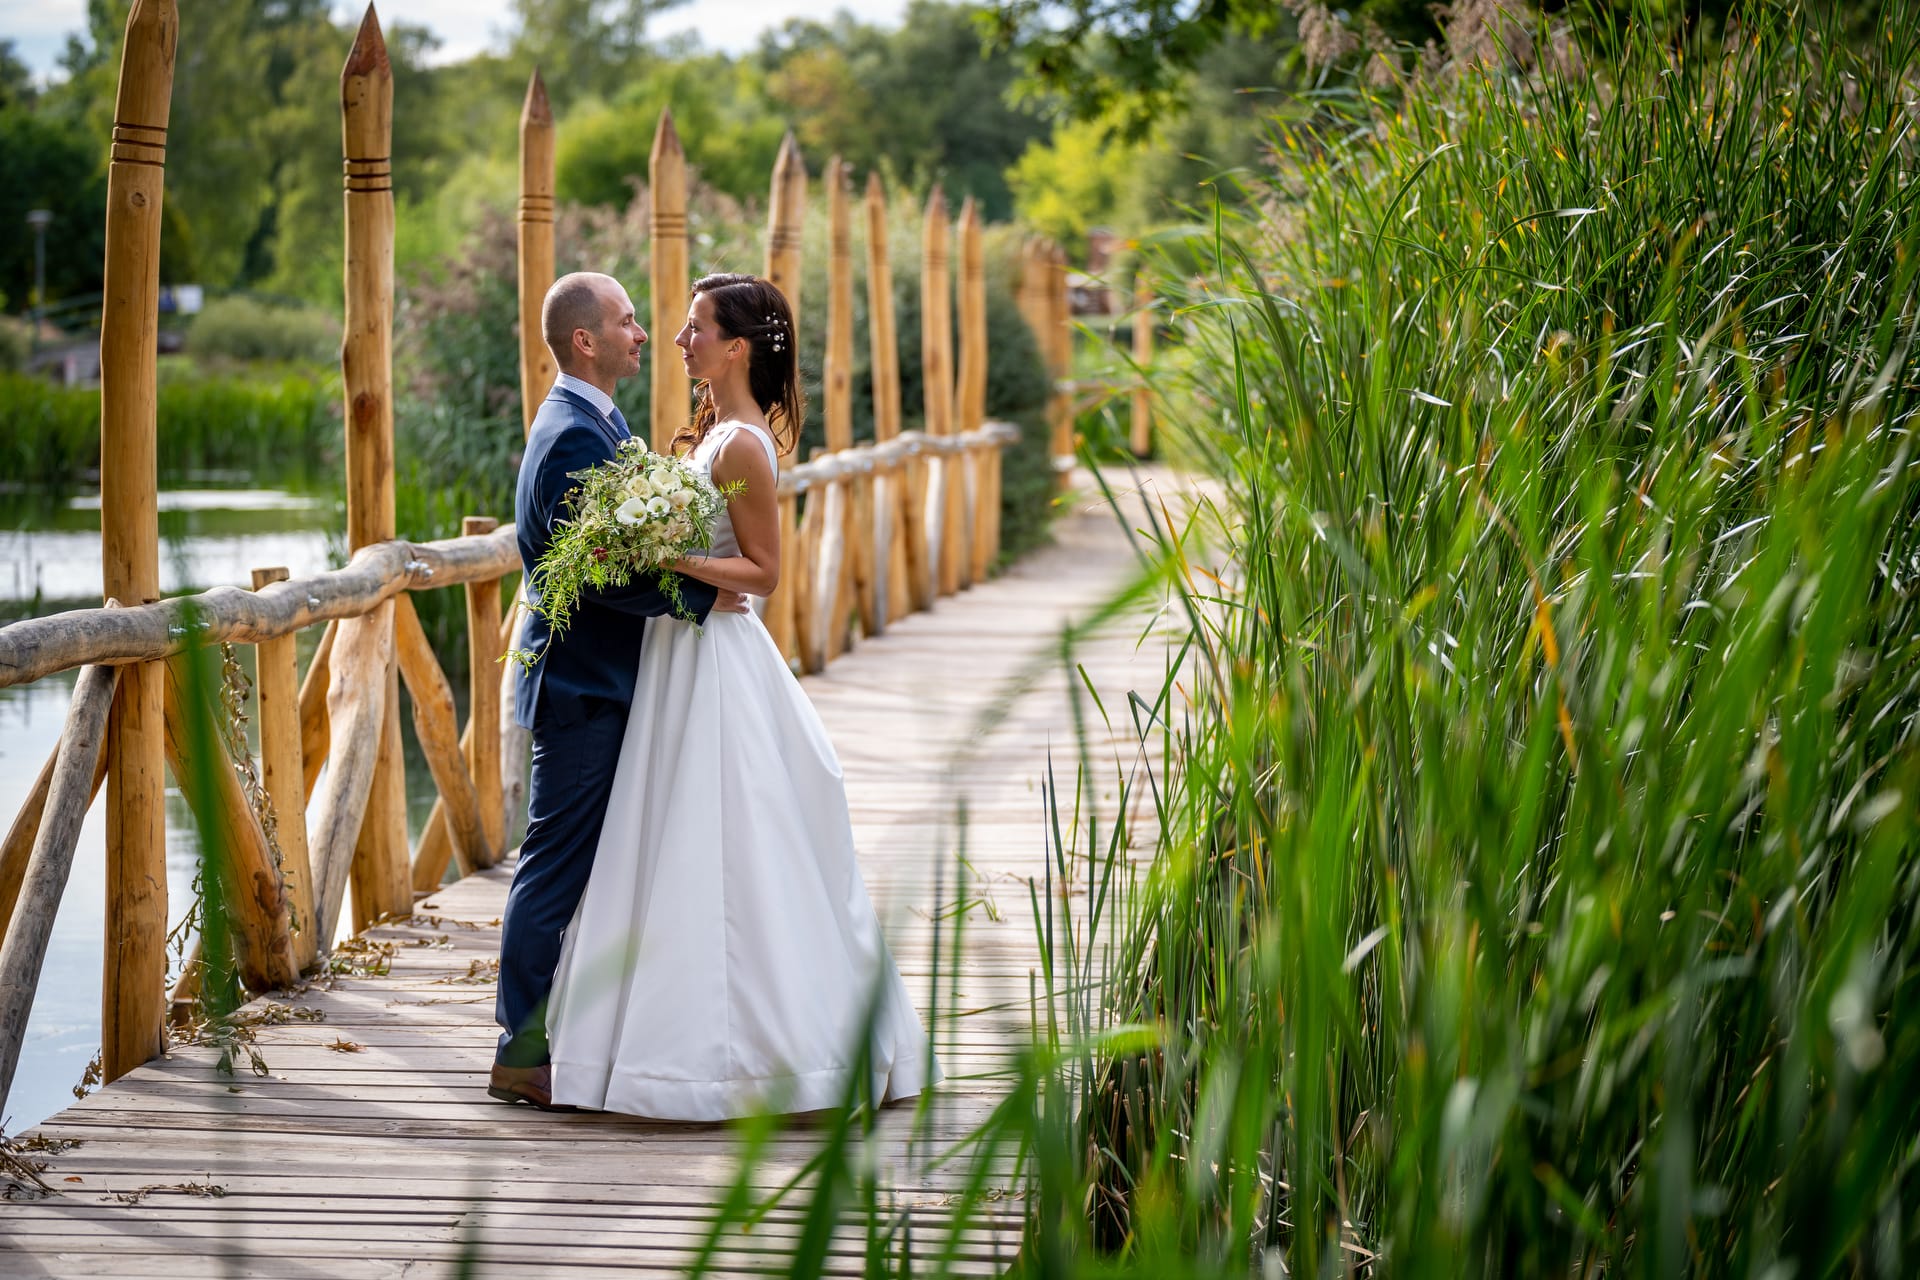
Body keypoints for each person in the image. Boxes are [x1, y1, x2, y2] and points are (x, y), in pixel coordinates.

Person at [542, 273, 940, 1119]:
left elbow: (763, 574)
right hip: (676, 657)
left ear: (736, 348)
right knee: (662, 841)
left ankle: (768, 1050)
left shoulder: (745, 448)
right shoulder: (712, 436)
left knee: (729, 841)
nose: (678, 341)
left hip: (716, 658)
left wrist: (665, 558)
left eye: (695, 329)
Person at [489, 271, 750, 1110]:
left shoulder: (597, 420)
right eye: (630, 322)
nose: (645, 334)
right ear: (585, 342)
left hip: (601, 679)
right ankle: (518, 1049)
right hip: (580, 685)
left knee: (581, 865)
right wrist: (702, 595)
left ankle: (571, 1035)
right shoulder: (571, 434)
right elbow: (598, 575)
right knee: (554, 868)